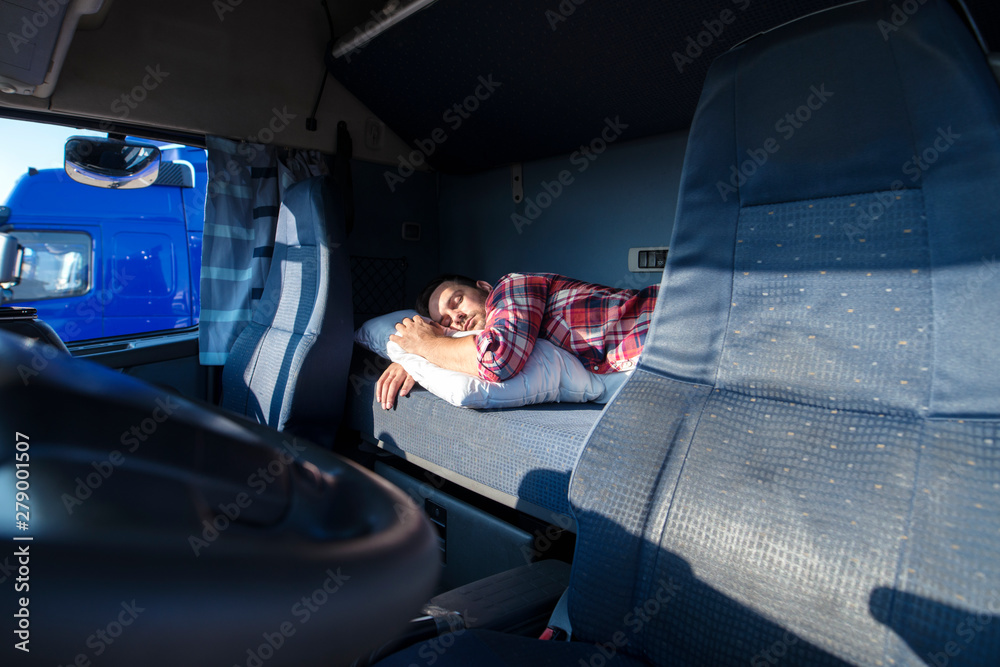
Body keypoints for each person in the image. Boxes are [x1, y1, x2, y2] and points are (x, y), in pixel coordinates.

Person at [375, 272, 658, 409]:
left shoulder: (513, 286)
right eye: (447, 321)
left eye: (457, 301)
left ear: (484, 287)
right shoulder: (490, 331)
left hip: (664, 323)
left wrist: (423, 346)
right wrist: (414, 360)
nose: (457, 317)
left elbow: (498, 360)